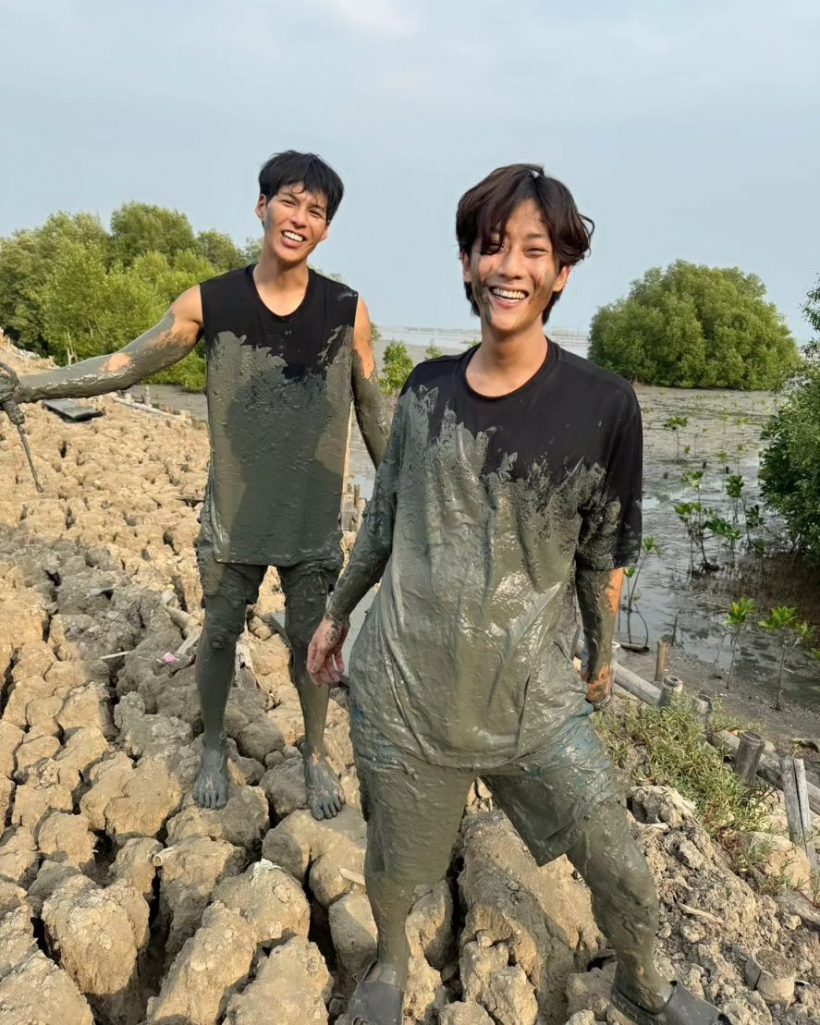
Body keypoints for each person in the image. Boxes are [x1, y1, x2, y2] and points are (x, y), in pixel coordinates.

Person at [308, 164, 728, 1024]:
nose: (509, 265)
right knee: (392, 858)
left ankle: (647, 984)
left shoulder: (605, 405)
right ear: (467, 263)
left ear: (562, 271)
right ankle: (388, 963)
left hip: (532, 692)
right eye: (491, 245)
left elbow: (603, 554)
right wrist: (335, 615)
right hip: (407, 687)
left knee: (617, 855)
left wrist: (602, 657)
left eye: (533, 250)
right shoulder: (425, 390)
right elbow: (382, 522)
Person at [1, 150, 389, 819]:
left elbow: (375, 413)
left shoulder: (346, 312)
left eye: (315, 211)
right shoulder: (212, 302)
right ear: (261, 206)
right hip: (232, 521)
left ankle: (315, 755)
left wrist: (403, 499)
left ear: (326, 230)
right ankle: (213, 745)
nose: (299, 218)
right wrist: (31, 385)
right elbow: (123, 363)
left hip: (311, 525)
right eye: (288, 202)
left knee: (312, 645)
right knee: (216, 635)